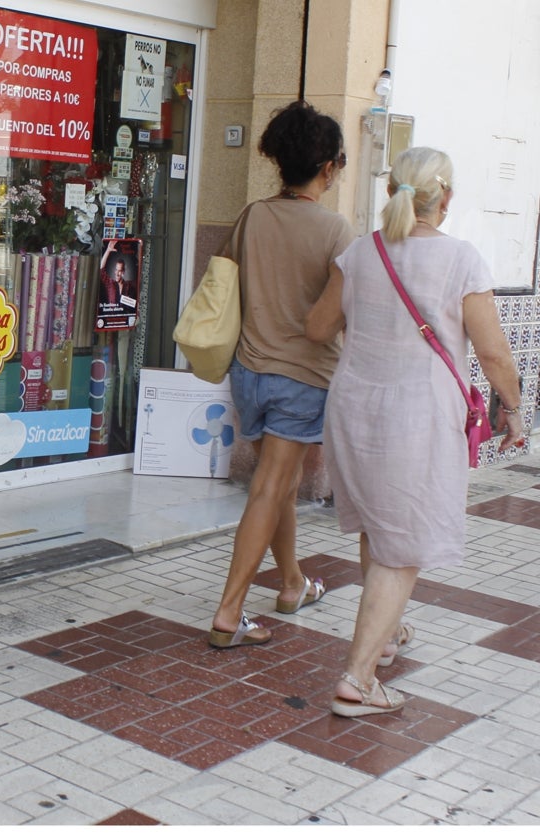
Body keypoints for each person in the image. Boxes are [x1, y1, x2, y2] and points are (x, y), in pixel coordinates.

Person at [306, 146, 526, 715]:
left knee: (378, 529)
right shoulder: (461, 259)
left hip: (354, 406)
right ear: (444, 197)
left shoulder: (360, 253)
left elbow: (319, 326)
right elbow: (494, 353)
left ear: (391, 193)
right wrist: (516, 410)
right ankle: (357, 680)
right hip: (418, 416)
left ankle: (383, 640)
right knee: (401, 549)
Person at [208, 101, 356, 648]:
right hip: (302, 376)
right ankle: (229, 612)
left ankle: (292, 584)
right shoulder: (337, 231)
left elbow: (228, 281)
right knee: (271, 486)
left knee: (282, 485)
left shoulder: (252, 215)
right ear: (327, 167)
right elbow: (337, 315)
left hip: (248, 371)